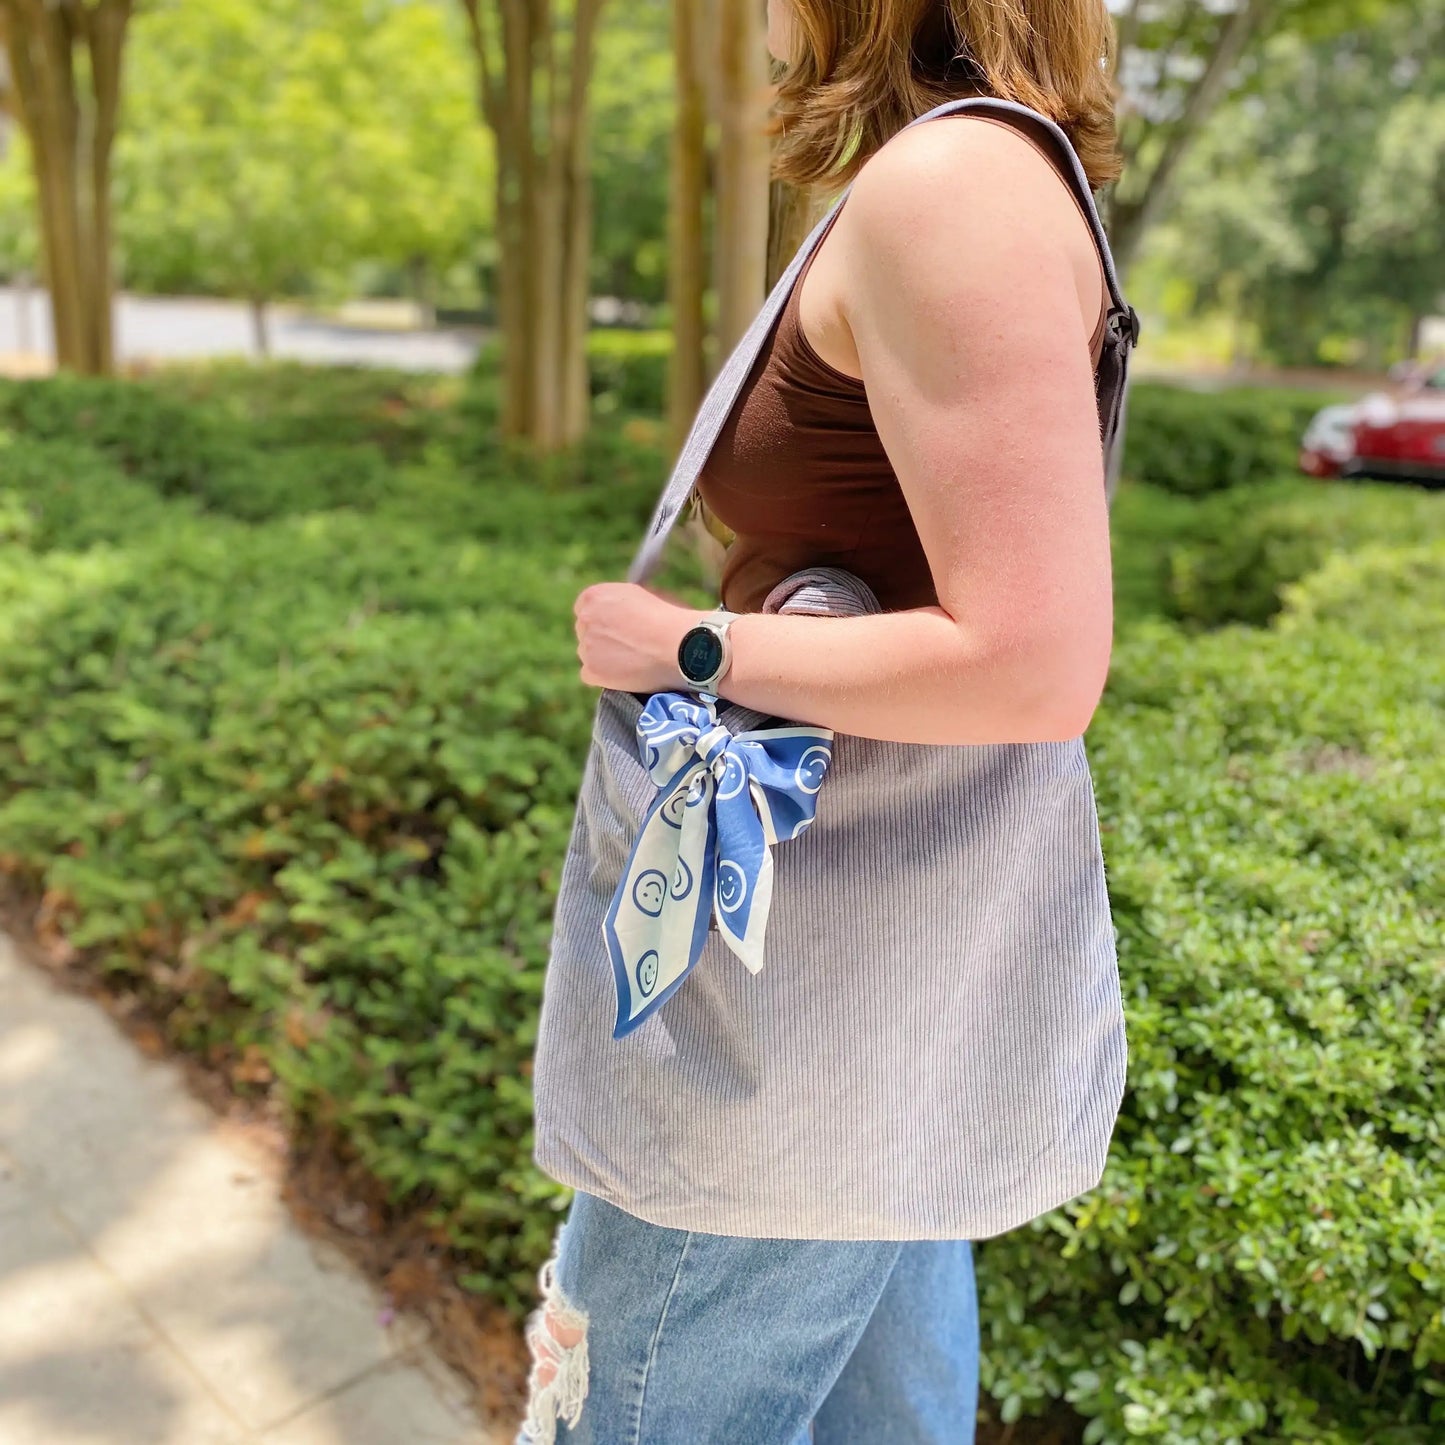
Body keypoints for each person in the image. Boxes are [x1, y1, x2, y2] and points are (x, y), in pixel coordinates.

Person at [518, 1, 1128, 1441]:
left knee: (635, 1412)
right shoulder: (973, 176)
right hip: (869, 1000)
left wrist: (685, 642)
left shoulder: (951, 190)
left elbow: (1037, 662)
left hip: (798, 1007)